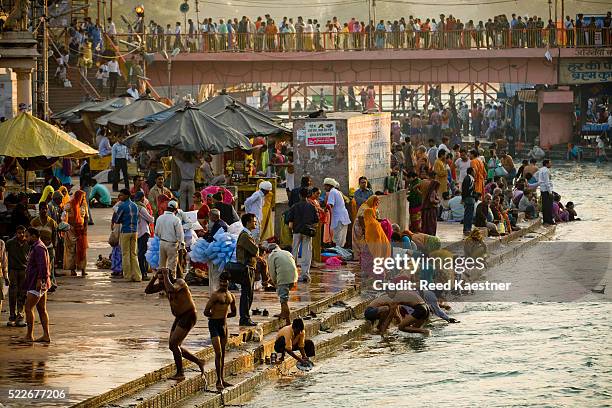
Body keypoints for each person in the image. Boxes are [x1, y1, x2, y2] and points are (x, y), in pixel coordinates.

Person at [145, 268, 205, 380]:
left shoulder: (179, 282)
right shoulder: (164, 285)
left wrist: (166, 275)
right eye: (161, 280)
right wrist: (154, 277)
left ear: (169, 276)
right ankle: (199, 361)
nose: (162, 282)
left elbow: (172, 289)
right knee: (173, 346)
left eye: (163, 279)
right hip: (179, 317)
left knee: (174, 344)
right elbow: (148, 290)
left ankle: (180, 373)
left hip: (189, 315)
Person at [203, 272, 236, 390]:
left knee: (223, 354)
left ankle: (222, 379)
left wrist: (224, 316)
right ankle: (218, 381)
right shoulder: (215, 296)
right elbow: (206, 311)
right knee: (218, 353)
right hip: (214, 325)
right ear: (219, 283)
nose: (223, 284)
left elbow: (234, 312)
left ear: (228, 283)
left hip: (224, 325)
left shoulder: (231, 296)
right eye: (221, 282)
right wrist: (215, 315)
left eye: (225, 282)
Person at [23, 227, 51, 343]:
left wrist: (39, 280)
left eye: (27, 236)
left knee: (28, 308)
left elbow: (43, 266)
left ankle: (29, 335)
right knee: (41, 309)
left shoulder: (39, 248)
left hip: (36, 283)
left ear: (34, 236)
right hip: (39, 283)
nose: (26, 238)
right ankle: (46, 335)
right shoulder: (37, 246)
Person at [287, 187, 319, 283]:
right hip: (307, 232)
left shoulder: (294, 206)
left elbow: (289, 221)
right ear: (308, 195)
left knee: (294, 251)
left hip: (296, 231)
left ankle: (292, 273)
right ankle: (305, 273)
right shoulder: (312, 207)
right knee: (307, 252)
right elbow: (316, 222)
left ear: (300, 195)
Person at [364, 291, 431, 336]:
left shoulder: (395, 299)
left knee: (401, 327)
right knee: (413, 329)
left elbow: (391, 316)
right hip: (426, 308)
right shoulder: (403, 293)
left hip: (420, 309)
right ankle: (421, 334)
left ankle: (425, 331)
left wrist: (383, 332)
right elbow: (397, 316)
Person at [235, 213, 259, 326]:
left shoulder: (247, 234)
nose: (255, 223)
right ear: (248, 222)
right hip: (246, 267)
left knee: (249, 293)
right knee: (247, 294)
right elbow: (254, 251)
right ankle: (244, 318)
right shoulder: (245, 235)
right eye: (254, 221)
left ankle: (246, 317)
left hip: (250, 267)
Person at [112, 189, 141, 282]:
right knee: (134, 254)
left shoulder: (122, 206)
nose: (120, 197)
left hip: (126, 231)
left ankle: (128, 275)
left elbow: (117, 220)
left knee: (125, 254)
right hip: (135, 231)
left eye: (121, 195)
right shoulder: (135, 206)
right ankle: (137, 276)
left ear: (126, 196)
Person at [266, 243, 298, 326]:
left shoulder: (272, 255)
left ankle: (288, 322)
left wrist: (274, 282)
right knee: (283, 297)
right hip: (293, 277)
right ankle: (282, 313)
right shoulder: (287, 252)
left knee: (284, 300)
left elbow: (272, 272)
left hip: (283, 277)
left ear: (269, 251)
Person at [30, 203, 59, 291]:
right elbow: (30, 235)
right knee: (39, 266)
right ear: (39, 210)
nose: (44, 210)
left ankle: (49, 284)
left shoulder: (52, 222)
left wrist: (55, 247)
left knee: (49, 266)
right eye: (42, 209)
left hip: (49, 248)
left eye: (46, 209)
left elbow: (55, 236)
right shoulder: (34, 222)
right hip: (37, 248)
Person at [6, 226, 29, 327]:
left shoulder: (28, 243)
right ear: (16, 233)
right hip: (13, 270)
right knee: (12, 293)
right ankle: (12, 315)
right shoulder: (10, 243)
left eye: (23, 233)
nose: (21, 235)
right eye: (19, 233)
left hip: (23, 270)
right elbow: (5, 256)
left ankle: (20, 315)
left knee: (22, 293)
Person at [155, 200, 185, 275]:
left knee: (161, 265)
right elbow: (180, 235)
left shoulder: (160, 218)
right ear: (175, 210)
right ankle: (171, 283)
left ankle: (161, 282)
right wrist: (182, 246)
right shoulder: (176, 219)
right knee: (172, 266)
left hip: (162, 243)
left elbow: (156, 233)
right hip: (172, 245)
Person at [63, 190, 88, 277]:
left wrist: (85, 228)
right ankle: (72, 269)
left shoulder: (84, 205)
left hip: (81, 230)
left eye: (84, 197)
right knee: (71, 250)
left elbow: (86, 218)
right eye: (82, 197)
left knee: (82, 249)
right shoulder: (69, 204)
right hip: (71, 230)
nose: (83, 199)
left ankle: (83, 269)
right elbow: (63, 214)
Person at [323, 178, 351, 248]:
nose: (324, 188)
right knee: (341, 239)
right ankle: (340, 255)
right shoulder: (337, 192)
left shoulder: (332, 192)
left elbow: (330, 205)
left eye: (325, 186)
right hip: (343, 218)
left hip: (339, 219)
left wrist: (324, 210)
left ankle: (339, 255)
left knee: (338, 239)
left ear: (329, 186)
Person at [135, 191, 154, 280]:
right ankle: (144, 273)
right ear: (142, 198)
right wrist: (152, 216)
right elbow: (150, 219)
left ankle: (142, 271)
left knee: (140, 252)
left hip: (136, 232)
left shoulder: (134, 206)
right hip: (143, 232)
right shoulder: (141, 208)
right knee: (142, 253)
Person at [531, 159, 554, 225]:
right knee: (549, 206)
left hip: (542, 189)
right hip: (547, 190)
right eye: (550, 163)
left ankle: (545, 220)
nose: (551, 164)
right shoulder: (546, 170)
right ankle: (549, 221)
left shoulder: (540, 169)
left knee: (544, 206)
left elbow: (536, 177)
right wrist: (550, 192)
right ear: (546, 164)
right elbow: (547, 182)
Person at [462, 167, 476, 235]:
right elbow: (465, 189)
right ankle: (467, 229)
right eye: (474, 171)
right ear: (471, 172)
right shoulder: (469, 178)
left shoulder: (469, 178)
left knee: (468, 214)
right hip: (469, 198)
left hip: (469, 198)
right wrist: (464, 198)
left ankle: (467, 228)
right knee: (468, 214)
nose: (475, 173)